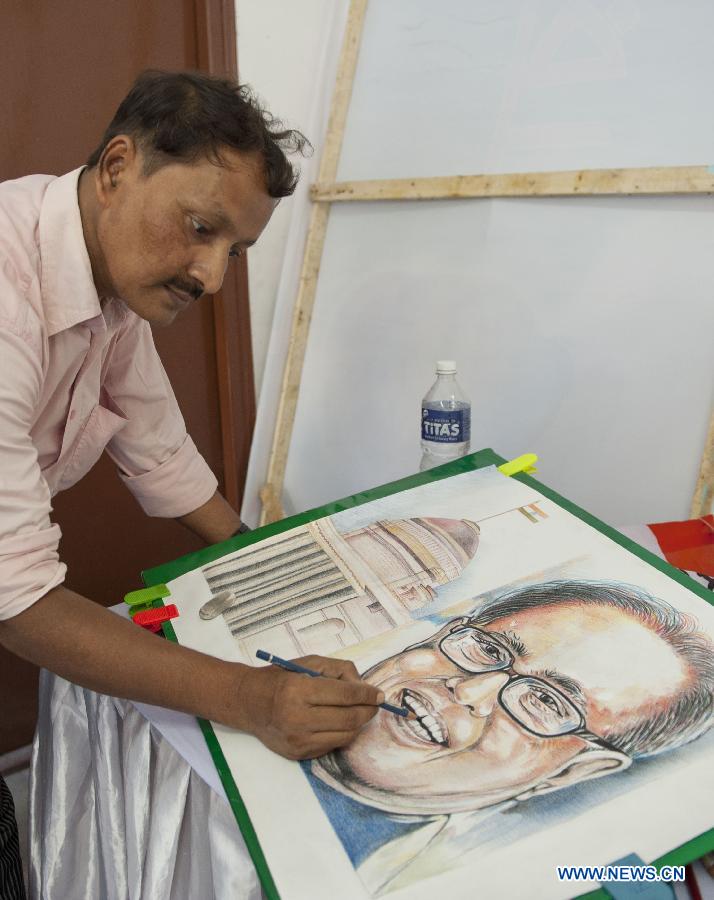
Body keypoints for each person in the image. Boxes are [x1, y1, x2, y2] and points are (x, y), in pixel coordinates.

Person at [0, 70, 383, 897]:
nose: (211, 277)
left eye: (235, 251)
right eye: (200, 227)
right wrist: (253, 698)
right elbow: (21, 605)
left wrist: (287, 570)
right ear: (116, 168)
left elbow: (159, 452)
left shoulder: (106, 276)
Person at [307, 580, 714, 893]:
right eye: (487, 648)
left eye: (545, 702)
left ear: (574, 771)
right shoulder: (276, 689)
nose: (469, 692)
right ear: (439, 635)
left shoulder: (552, 875)